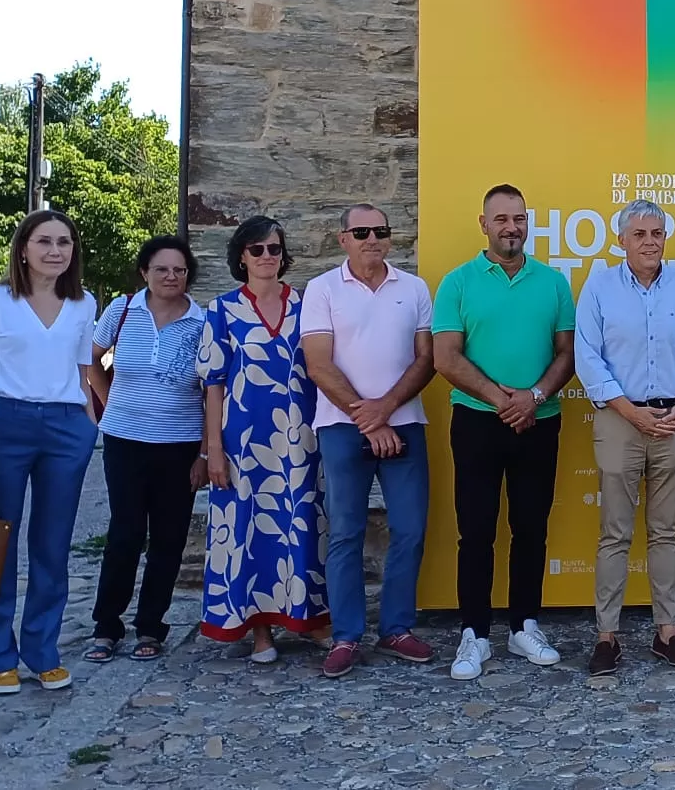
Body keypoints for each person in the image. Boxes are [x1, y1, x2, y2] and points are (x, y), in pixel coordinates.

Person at [432, 184, 576, 681]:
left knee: (530, 528)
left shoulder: (553, 282)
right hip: (476, 419)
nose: (510, 227)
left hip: (541, 418)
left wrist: (532, 398)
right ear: (484, 223)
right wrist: (505, 400)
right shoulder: (457, 282)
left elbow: (567, 353)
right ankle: (474, 634)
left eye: (518, 218)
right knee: (475, 529)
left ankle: (524, 626)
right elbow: (445, 357)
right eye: (501, 219)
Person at [573, 200, 675, 676]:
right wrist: (631, 412)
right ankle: (607, 636)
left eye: (657, 233)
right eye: (640, 234)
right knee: (615, 532)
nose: (650, 242)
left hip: (673, 420)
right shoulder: (600, 286)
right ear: (621, 240)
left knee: (666, 531)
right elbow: (587, 357)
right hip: (620, 419)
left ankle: (667, 631)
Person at [300, 204, 437, 678]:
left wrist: (387, 411)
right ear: (343, 239)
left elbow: (426, 359)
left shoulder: (415, 288)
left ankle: (397, 627)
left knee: (411, 529)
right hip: (341, 427)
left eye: (380, 231)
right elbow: (317, 363)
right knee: (345, 533)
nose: (372, 239)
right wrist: (371, 419)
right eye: (361, 231)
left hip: (405, 423)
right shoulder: (321, 289)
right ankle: (346, 636)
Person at [0, 210, 99, 695]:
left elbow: (85, 371)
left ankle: (43, 650)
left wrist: (89, 424)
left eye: (64, 242)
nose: (55, 251)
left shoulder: (85, 303)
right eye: (44, 241)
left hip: (67, 427)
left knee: (53, 544)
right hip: (5, 419)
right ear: (23, 247)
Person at [199, 215, 330, 662]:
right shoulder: (221, 310)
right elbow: (213, 382)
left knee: (302, 526)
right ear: (242, 256)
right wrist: (213, 447)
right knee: (249, 528)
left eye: (274, 249)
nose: (267, 257)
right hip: (243, 440)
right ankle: (260, 630)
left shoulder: (308, 304)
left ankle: (308, 619)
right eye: (258, 250)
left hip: (299, 437)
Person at [84, 236, 209, 663]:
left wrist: (206, 453)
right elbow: (92, 360)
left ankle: (151, 626)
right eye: (162, 269)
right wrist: (107, 407)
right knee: (125, 533)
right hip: (125, 441)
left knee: (169, 538)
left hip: (179, 444)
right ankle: (107, 625)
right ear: (145, 272)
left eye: (179, 270)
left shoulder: (203, 322)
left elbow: (212, 389)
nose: (171, 277)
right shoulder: (121, 311)